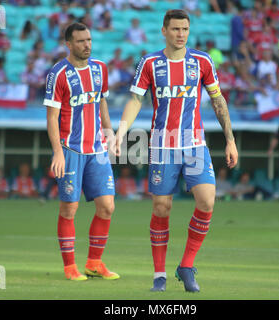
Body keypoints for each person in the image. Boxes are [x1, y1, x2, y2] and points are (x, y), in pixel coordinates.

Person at [113, 10, 238, 292]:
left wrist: (230, 140)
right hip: (162, 146)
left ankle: (186, 265)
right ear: (164, 31)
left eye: (185, 29)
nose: (181, 33)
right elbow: (135, 99)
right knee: (161, 207)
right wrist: (121, 131)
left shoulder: (202, 61)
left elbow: (218, 101)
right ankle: (159, 275)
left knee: (207, 201)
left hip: (194, 145)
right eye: (175, 29)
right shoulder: (150, 63)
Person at [44, 23, 119, 281]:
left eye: (88, 40)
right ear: (69, 44)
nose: (87, 45)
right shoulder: (58, 73)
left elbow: (102, 103)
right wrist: (57, 152)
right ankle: (69, 267)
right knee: (69, 208)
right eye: (80, 41)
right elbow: (52, 117)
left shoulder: (100, 68)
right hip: (70, 148)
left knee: (107, 206)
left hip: (97, 148)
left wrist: (110, 136)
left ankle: (94, 263)